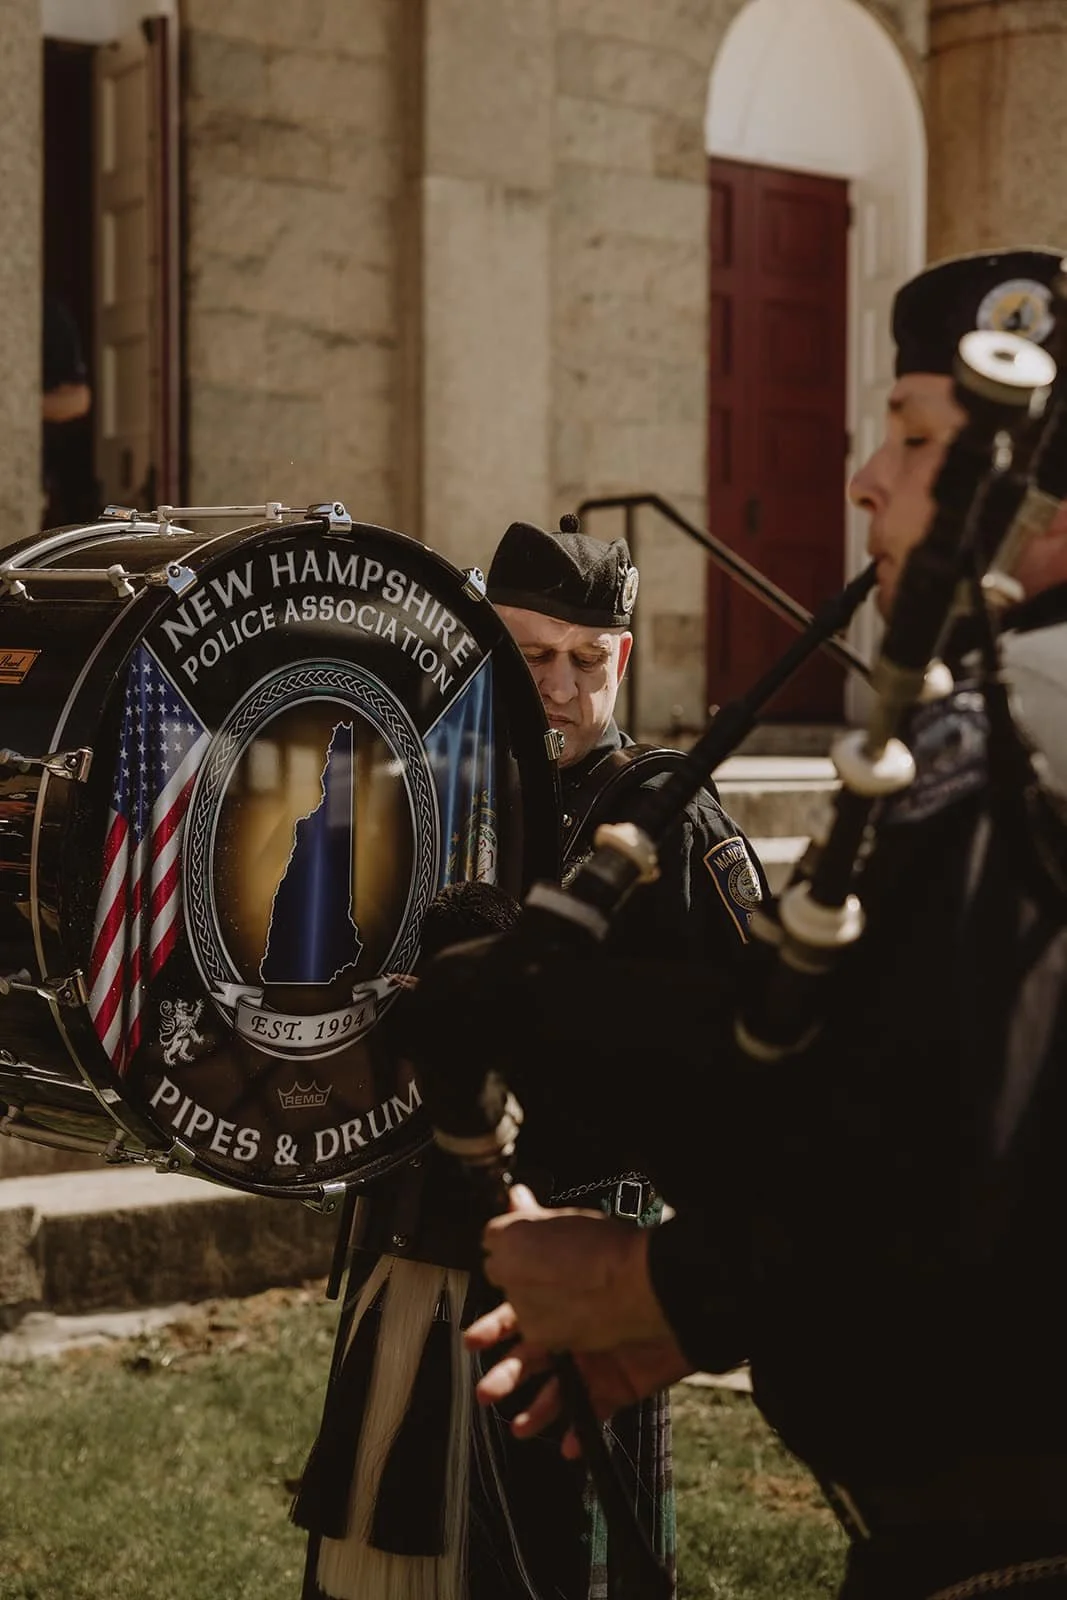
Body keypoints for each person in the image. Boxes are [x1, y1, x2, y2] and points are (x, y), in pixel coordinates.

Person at [462, 248, 1067, 1600]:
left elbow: (923, 1158)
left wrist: (658, 1284)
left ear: (1031, 488)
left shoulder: (1007, 754)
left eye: (913, 437)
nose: (863, 477)